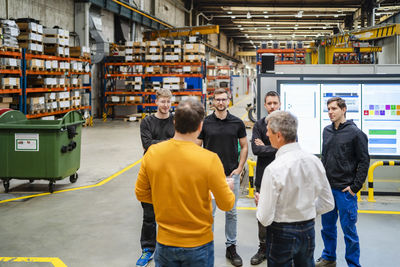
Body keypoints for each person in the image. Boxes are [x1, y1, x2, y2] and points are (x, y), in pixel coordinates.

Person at [135, 98, 235, 267]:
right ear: (200, 126)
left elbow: (141, 193)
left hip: (165, 242)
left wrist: (166, 200)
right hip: (199, 244)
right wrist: (227, 188)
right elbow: (226, 204)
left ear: (174, 123)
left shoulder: (153, 153)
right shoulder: (210, 159)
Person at [257, 110, 335, 267]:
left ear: (279, 136)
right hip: (308, 230)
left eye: (269, 131)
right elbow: (328, 203)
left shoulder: (274, 169)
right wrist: (305, 211)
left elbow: (265, 218)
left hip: (281, 234)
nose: (266, 134)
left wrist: (261, 204)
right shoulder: (314, 162)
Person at [316, 97, 370, 267]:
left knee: (349, 232)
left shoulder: (355, 133)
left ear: (344, 109)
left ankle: (353, 264)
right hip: (328, 190)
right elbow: (325, 158)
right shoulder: (327, 131)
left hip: (345, 192)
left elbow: (364, 161)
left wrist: (355, 187)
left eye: (334, 109)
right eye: (329, 109)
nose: (330, 112)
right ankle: (329, 257)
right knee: (328, 228)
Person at [197, 88, 248, 267]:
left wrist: (240, 167)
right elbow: (197, 147)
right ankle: (206, 246)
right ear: (213, 102)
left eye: (223, 99)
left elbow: (244, 145)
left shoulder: (237, 122)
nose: (220, 102)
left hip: (230, 176)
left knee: (231, 213)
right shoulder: (205, 123)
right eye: (217, 99)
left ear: (228, 101)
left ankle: (231, 247)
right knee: (208, 214)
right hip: (210, 178)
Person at [136, 88, 174, 267]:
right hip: (150, 174)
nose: (165, 105)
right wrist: (171, 144)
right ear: (156, 102)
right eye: (162, 101)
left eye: (168, 102)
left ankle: (169, 247)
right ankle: (147, 250)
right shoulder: (147, 122)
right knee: (149, 215)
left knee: (172, 213)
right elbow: (147, 145)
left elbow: (183, 144)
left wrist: (157, 144)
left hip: (172, 174)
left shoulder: (176, 121)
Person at [250, 91, 280, 265]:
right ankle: (263, 248)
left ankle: (278, 248)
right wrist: (276, 147)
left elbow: (291, 146)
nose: (272, 106)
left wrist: (266, 146)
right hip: (263, 178)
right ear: (265, 105)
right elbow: (256, 150)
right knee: (262, 216)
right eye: (269, 103)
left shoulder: (287, 124)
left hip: (282, 178)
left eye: (275, 103)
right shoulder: (259, 125)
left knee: (281, 214)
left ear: (280, 103)